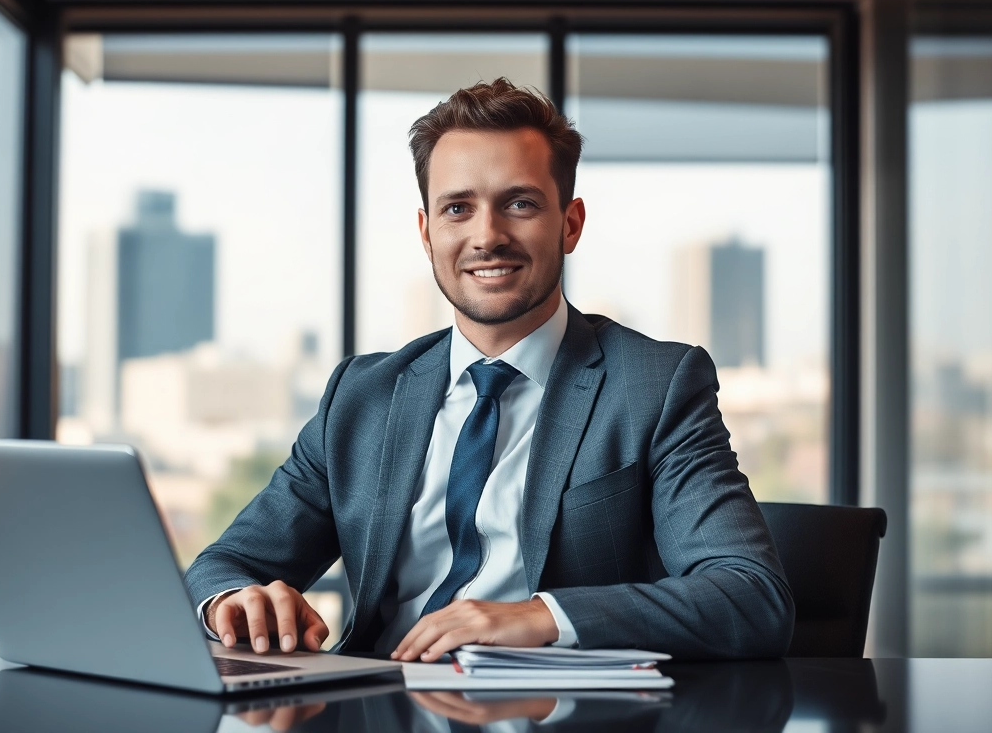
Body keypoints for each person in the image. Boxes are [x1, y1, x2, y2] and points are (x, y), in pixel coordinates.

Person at [184, 77, 793, 662]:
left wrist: (544, 616)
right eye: (457, 208)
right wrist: (235, 601)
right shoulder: (361, 396)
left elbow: (750, 595)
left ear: (571, 224)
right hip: (372, 704)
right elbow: (220, 567)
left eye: (520, 204)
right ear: (426, 232)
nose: (487, 236)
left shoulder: (655, 386)